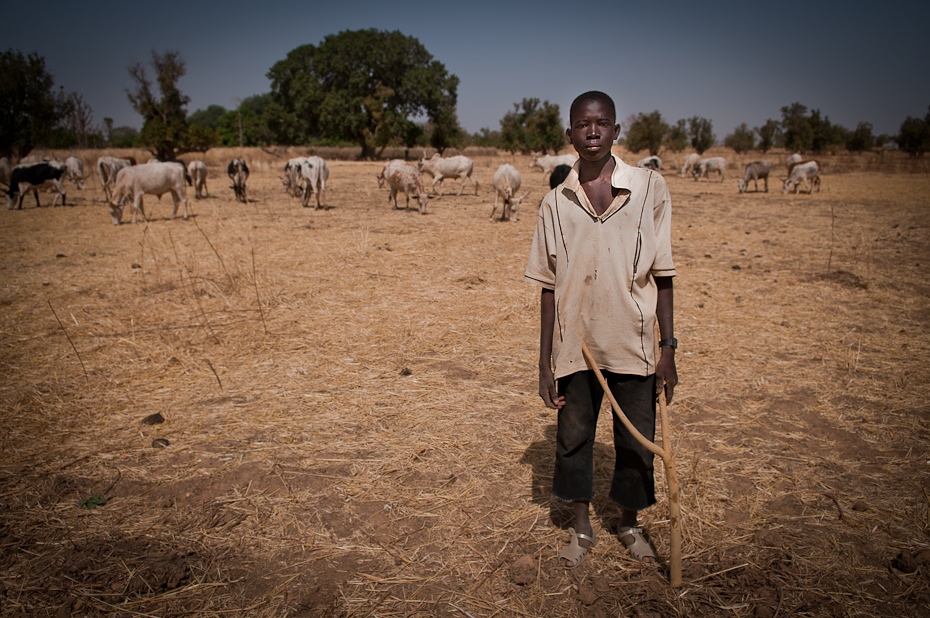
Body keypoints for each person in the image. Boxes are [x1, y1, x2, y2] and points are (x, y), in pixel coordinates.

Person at [524, 91, 678, 569]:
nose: (592, 132)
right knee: (573, 436)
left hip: (632, 339)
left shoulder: (649, 188)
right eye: (582, 124)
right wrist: (545, 361)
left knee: (637, 438)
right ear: (569, 134)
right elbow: (547, 286)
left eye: (602, 123)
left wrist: (668, 346)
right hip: (576, 344)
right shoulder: (555, 201)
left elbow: (664, 273)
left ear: (616, 131)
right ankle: (582, 527)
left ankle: (629, 524)